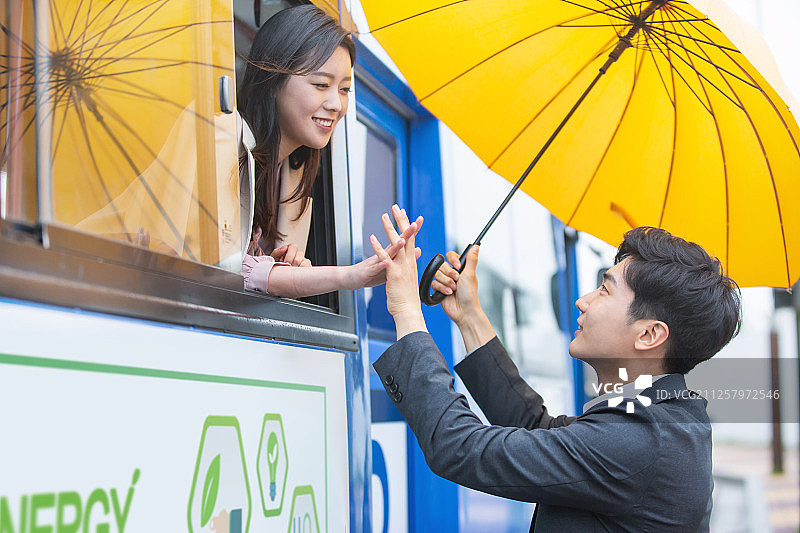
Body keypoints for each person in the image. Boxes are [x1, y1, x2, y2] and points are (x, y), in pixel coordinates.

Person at [369, 214, 741, 532]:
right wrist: (468, 315)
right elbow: (538, 428)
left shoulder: (639, 439)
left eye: (604, 291)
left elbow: (459, 447)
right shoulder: (662, 418)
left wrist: (405, 308)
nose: (583, 301)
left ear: (649, 334)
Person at [236, 5, 407, 298]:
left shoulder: (294, 180)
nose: (336, 105)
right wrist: (348, 275)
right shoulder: (224, 145)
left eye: (343, 89)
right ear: (274, 82)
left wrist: (283, 267)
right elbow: (214, 269)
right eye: (321, 84)